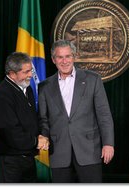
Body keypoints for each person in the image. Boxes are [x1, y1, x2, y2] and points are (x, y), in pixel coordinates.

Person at [38, 40, 114, 183]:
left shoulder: (92, 79)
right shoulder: (45, 86)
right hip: (58, 151)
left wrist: (108, 143)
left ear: (74, 57)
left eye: (68, 56)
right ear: (54, 60)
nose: (64, 61)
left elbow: (104, 115)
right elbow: (43, 119)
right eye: (60, 57)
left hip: (89, 150)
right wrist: (44, 137)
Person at [0, 52, 48, 183]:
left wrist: (41, 137)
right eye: (26, 72)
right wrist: (36, 142)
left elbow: (31, 121)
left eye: (31, 70)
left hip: (27, 158)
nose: (30, 75)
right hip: (9, 161)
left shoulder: (28, 90)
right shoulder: (2, 95)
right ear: (12, 73)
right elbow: (10, 132)